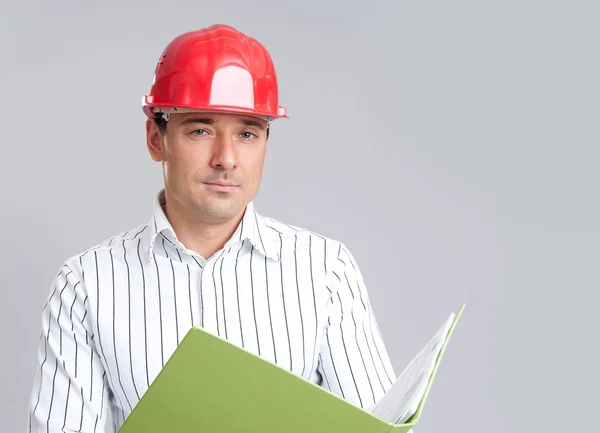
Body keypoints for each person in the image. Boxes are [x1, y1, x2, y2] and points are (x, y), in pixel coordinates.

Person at [27, 23, 396, 433]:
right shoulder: (86, 285)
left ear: (265, 146)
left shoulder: (325, 271)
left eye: (247, 133)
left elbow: (377, 427)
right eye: (201, 130)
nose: (226, 158)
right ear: (156, 138)